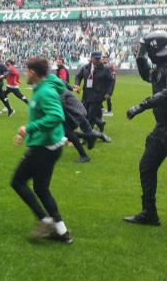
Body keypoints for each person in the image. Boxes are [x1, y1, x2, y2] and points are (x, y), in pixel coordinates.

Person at [11, 58, 72, 243]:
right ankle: (62, 232)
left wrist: (28, 128)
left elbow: (56, 116)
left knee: (18, 182)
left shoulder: (45, 92)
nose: (25, 74)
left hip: (43, 149)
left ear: (35, 73)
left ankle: (45, 220)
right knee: (41, 188)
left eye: (27, 71)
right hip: (49, 145)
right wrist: (26, 133)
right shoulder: (44, 87)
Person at [124, 31, 167, 226]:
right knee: (147, 166)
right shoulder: (161, 67)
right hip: (162, 128)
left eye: (147, 48)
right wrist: (140, 55)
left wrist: (142, 106)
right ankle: (149, 212)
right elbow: (147, 75)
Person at [74, 51, 113, 132]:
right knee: (85, 113)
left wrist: (109, 93)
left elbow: (110, 81)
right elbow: (78, 76)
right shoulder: (85, 68)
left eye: (99, 58)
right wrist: (77, 85)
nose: (98, 60)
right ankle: (100, 123)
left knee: (90, 115)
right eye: (96, 58)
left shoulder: (105, 69)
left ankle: (88, 135)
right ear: (91, 58)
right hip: (86, 95)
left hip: (98, 96)